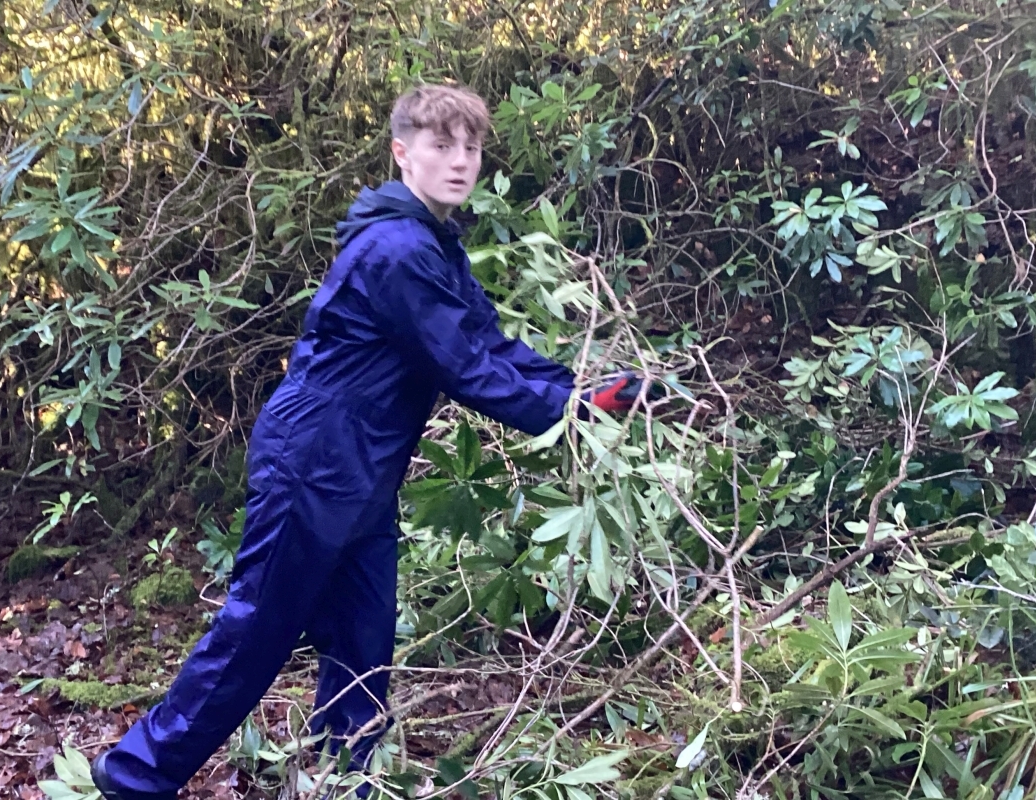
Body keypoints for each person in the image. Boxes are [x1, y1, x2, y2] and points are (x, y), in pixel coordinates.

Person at [90, 83, 645, 800]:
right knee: (258, 631)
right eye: (442, 145)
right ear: (402, 152)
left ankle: (345, 778)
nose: (460, 162)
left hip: (362, 470)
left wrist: (581, 394)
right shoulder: (397, 250)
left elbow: (488, 342)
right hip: (315, 462)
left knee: (363, 636)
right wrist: (567, 416)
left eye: (471, 147)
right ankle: (133, 775)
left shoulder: (434, 246)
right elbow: (465, 368)